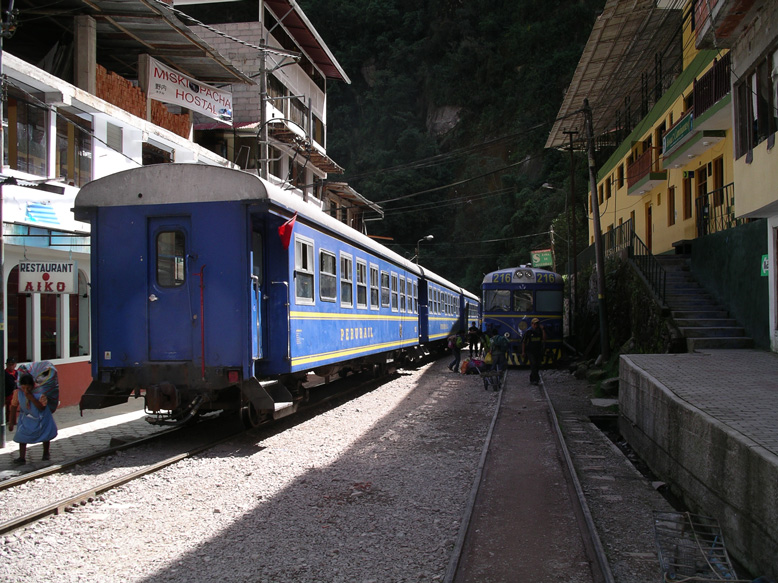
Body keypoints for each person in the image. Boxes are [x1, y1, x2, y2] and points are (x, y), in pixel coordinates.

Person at [7, 373, 58, 464]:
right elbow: (14, 406)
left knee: (45, 434)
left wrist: (31, 398)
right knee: (22, 435)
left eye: (28, 388)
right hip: (27, 416)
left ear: (32, 385)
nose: (26, 390)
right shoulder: (18, 393)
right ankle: (22, 457)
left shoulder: (40, 392)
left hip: (42, 417)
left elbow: (41, 407)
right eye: (24, 388)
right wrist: (12, 422)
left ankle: (46, 453)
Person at [522, 318, 546, 385]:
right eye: (535, 324)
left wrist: (543, 330)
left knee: (537, 365)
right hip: (530, 351)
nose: (536, 325)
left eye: (537, 324)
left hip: (538, 350)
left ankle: (533, 378)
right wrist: (523, 352)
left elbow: (544, 339)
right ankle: (535, 379)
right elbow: (524, 342)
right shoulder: (528, 332)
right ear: (532, 324)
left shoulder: (540, 331)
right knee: (533, 364)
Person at [4, 357, 18, 424]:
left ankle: (13, 421)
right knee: (8, 408)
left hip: (16, 393)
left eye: (12, 364)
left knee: (14, 407)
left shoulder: (16, 373)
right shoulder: (5, 373)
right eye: (9, 364)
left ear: (15, 365)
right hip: (8, 393)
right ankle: (7, 420)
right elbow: (10, 383)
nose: (11, 366)